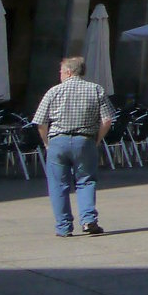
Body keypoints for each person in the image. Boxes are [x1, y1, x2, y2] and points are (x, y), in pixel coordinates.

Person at [33, 56, 117, 237]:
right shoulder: (96, 89)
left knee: (58, 185)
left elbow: (40, 122)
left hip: (58, 141)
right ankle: (88, 220)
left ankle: (63, 227)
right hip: (84, 140)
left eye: (61, 72)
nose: (60, 75)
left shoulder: (54, 91)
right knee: (86, 180)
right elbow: (108, 119)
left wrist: (47, 142)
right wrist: (97, 139)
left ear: (69, 72)